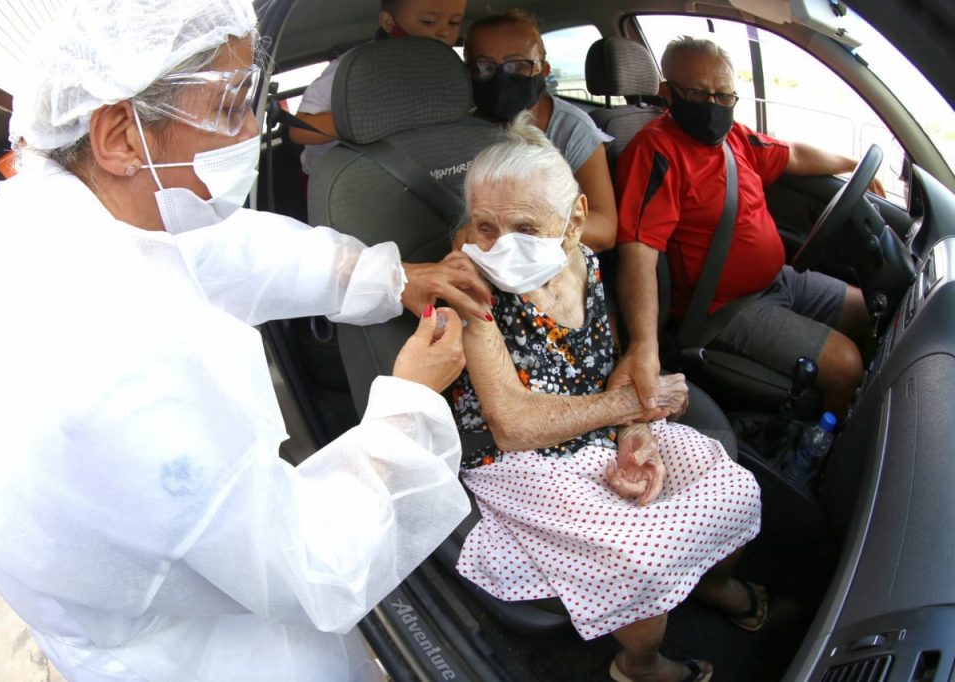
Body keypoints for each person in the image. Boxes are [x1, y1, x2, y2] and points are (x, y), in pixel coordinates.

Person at [0, 1, 496, 680]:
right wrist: (410, 400)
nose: (256, 129)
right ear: (119, 134)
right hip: (205, 658)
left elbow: (223, 247)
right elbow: (314, 565)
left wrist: (386, 276)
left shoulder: (49, 214)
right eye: (229, 105)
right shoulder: (111, 373)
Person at [452, 113, 765, 682]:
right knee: (641, 555)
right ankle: (639, 665)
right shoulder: (472, 288)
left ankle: (710, 582)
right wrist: (634, 409)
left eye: (525, 226)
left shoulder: (585, 263)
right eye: (485, 227)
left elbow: (605, 363)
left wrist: (634, 436)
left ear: (574, 223)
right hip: (518, 459)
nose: (501, 246)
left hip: (595, 425)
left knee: (735, 489)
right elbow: (514, 426)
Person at [615, 36, 882, 416]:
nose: (713, 105)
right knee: (846, 365)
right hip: (725, 311)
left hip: (779, 280)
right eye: (698, 93)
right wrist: (644, 343)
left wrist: (851, 164)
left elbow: (793, 154)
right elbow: (639, 253)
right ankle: (826, 453)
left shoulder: (733, 136)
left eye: (724, 96)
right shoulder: (655, 151)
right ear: (667, 93)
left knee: (870, 308)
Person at [462, 10, 618, 252]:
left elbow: (604, 228)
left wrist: (530, 234)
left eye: (518, 66)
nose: (502, 77)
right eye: (484, 67)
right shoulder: (455, 129)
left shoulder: (572, 128)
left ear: (544, 71)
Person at [289, 0, 466, 175]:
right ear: (389, 22)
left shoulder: (442, 71)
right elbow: (299, 130)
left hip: (401, 170)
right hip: (334, 180)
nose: (445, 31)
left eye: (454, 22)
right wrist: (372, 118)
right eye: (428, 21)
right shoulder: (354, 67)